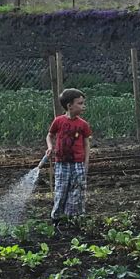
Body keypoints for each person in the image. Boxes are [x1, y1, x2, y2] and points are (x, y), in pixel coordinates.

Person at [46, 88, 93, 222]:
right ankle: (57, 218)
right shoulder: (59, 121)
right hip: (61, 163)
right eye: (80, 103)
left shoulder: (83, 125)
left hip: (78, 163)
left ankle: (74, 217)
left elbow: (86, 144)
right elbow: (49, 136)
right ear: (69, 106)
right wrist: (50, 147)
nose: (83, 106)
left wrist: (86, 163)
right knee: (61, 190)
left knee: (77, 190)